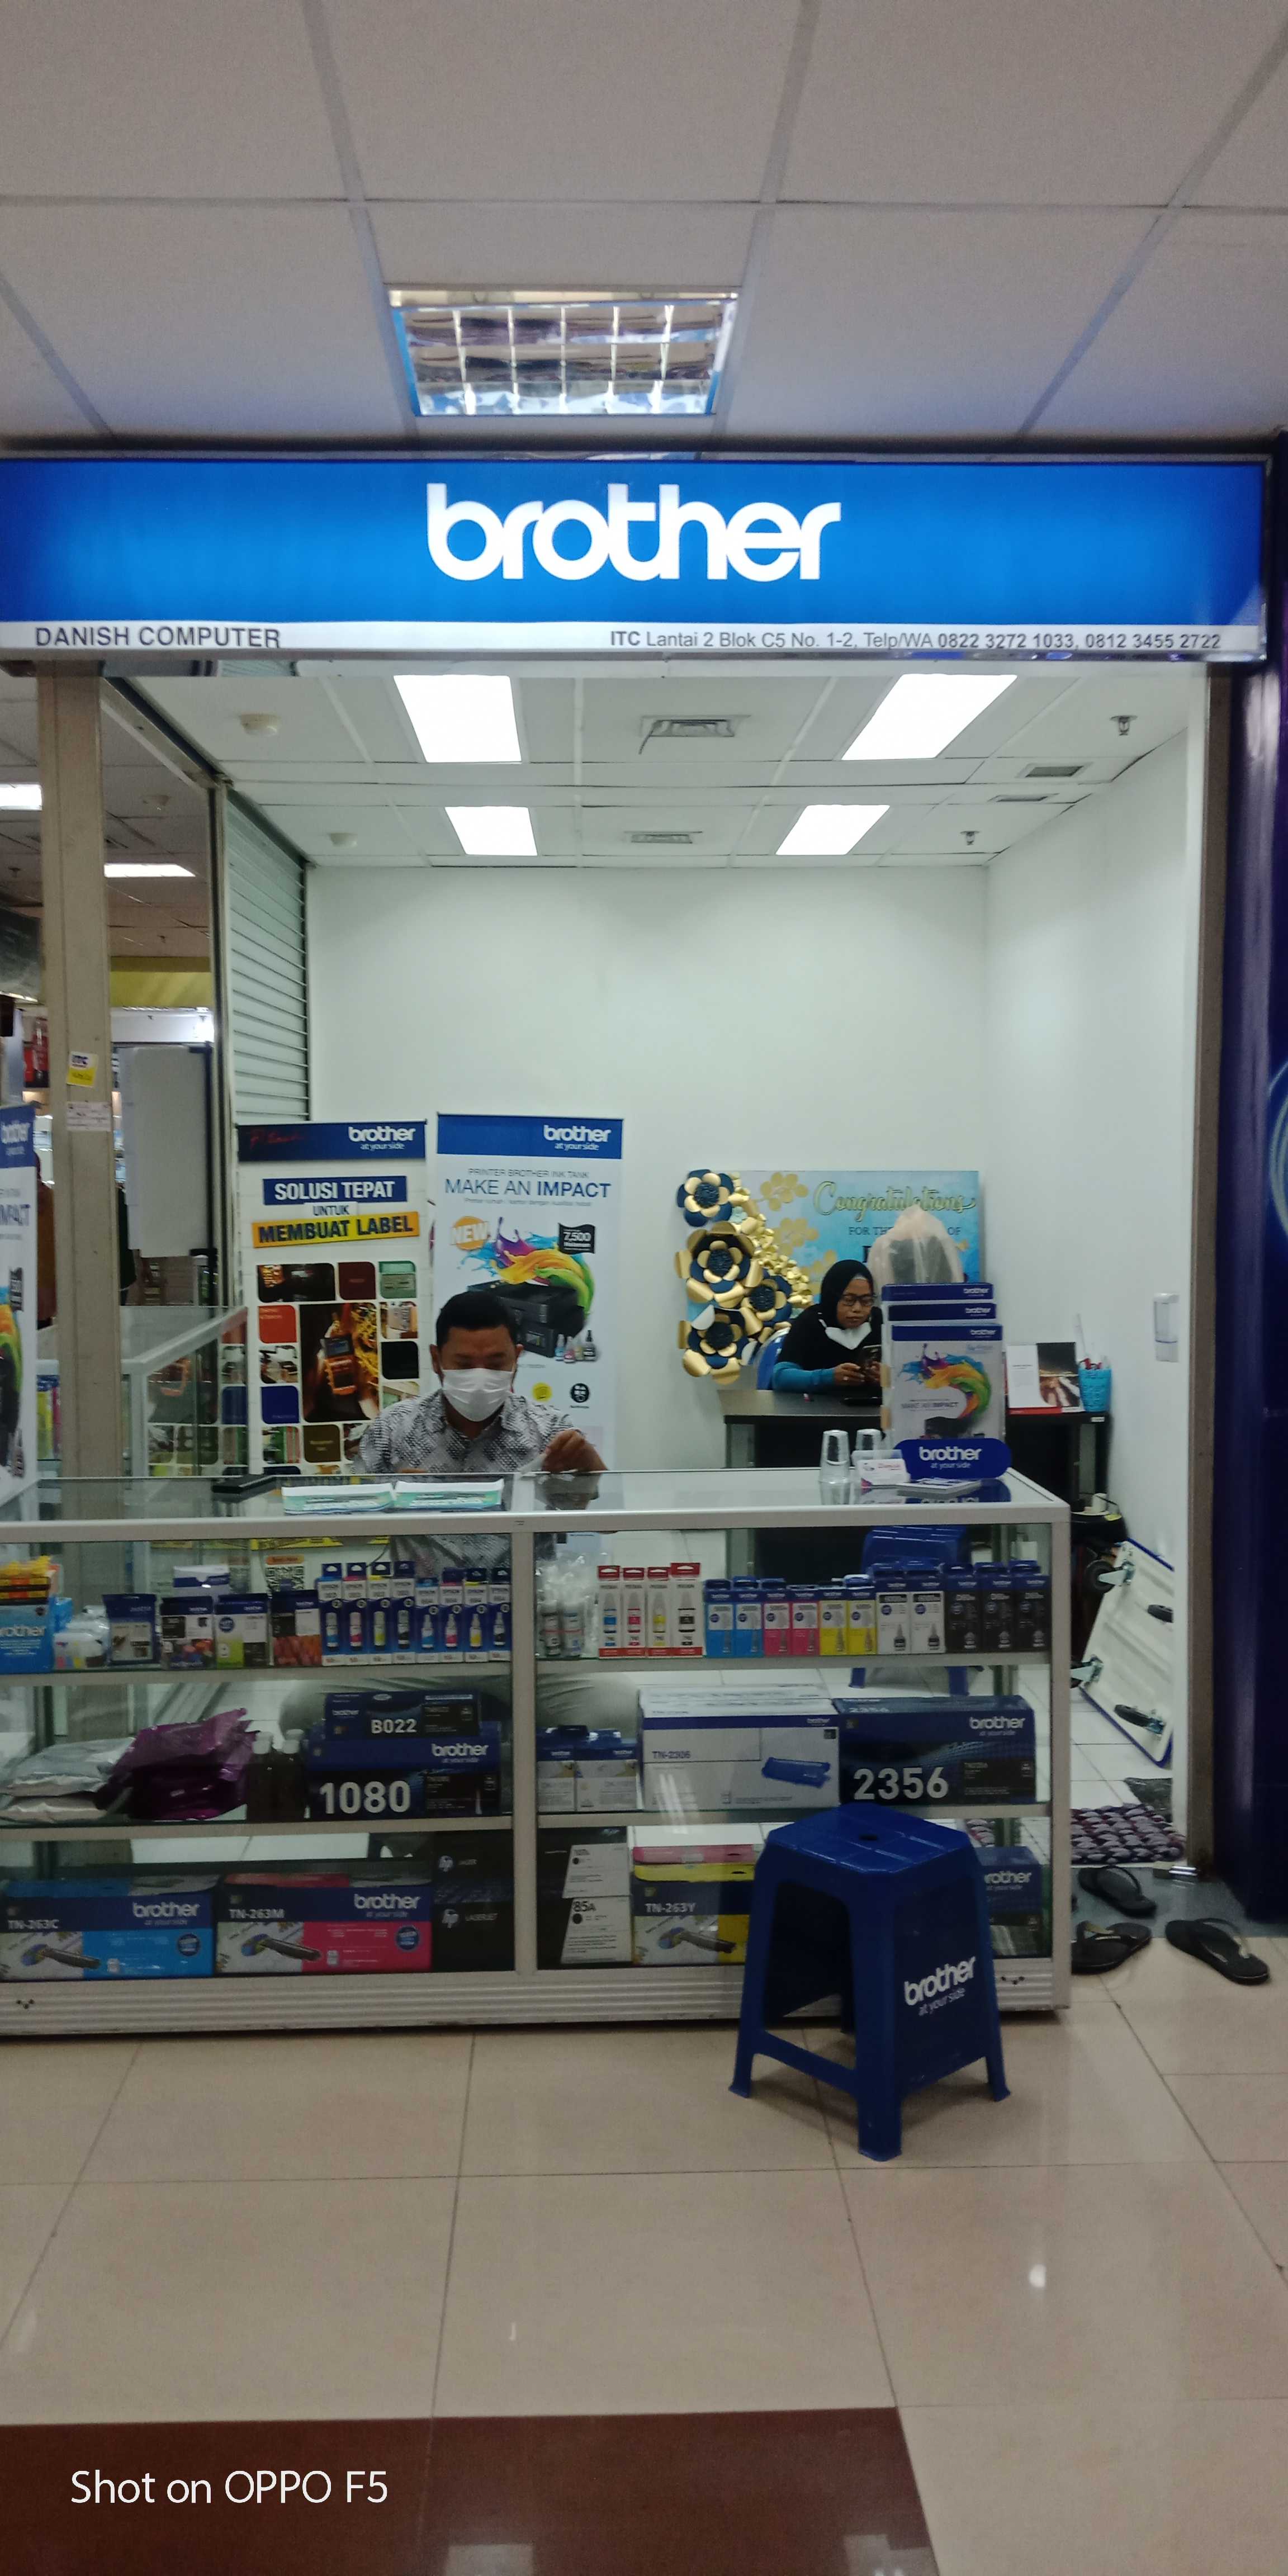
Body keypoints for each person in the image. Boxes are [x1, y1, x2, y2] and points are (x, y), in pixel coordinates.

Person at [357, 1285, 603, 1480]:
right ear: (436, 1360)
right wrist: (393, 1499)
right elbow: (351, 1516)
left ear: (516, 1359)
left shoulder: (550, 1431)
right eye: (464, 1364)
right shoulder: (391, 1429)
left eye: (496, 1363)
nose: (480, 1379)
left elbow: (597, 1516)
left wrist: (590, 1465)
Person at [771, 1258, 881, 1395]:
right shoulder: (811, 1322)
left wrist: (888, 1376)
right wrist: (827, 1378)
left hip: (871, 1406)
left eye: (866, 1301)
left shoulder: (879, 1321)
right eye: (849, 1300)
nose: (857, 1309)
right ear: (832, 1298)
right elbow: (780, 1378)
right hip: (816, 1406)